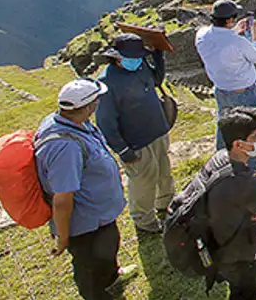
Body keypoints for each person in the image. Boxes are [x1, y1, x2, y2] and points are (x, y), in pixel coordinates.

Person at [35, 79, 135, 300]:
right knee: (89, 268)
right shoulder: (64, 147)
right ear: (90, 106)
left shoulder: (73, 122)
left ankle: (112, 279)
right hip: (85, 224)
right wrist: (62, 237)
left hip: (99, 214)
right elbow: (62, 198)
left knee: (108, 248)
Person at [95, 33, 175, 234]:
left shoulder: (141, 66)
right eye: (133, 57)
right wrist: (122, 149)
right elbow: (105, 121)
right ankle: (144, 220)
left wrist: (158, 56)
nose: (137, 60)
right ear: (117, 57)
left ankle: (166, 203)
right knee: (143, 182)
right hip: (136, 141)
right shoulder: (106, 83)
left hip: (157, 130)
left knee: (164, 171)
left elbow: (156, 80)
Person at [208, 107, 256, 300]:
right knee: (247, 290)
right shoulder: (246, 183)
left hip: (218, 244)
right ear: (239, 144)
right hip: (240, 253)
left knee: (239, 290)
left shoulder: (218, 159)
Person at [195, 0, 256, 173]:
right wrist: (254, 36)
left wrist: (234, 31)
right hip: (244, 91)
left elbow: (220, 44)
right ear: (229, 20)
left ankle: (222, 162)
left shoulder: (201, 35)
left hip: (221, 89)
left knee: (224, 125)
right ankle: (252, 166)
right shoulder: (237, 42)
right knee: (251, 129)